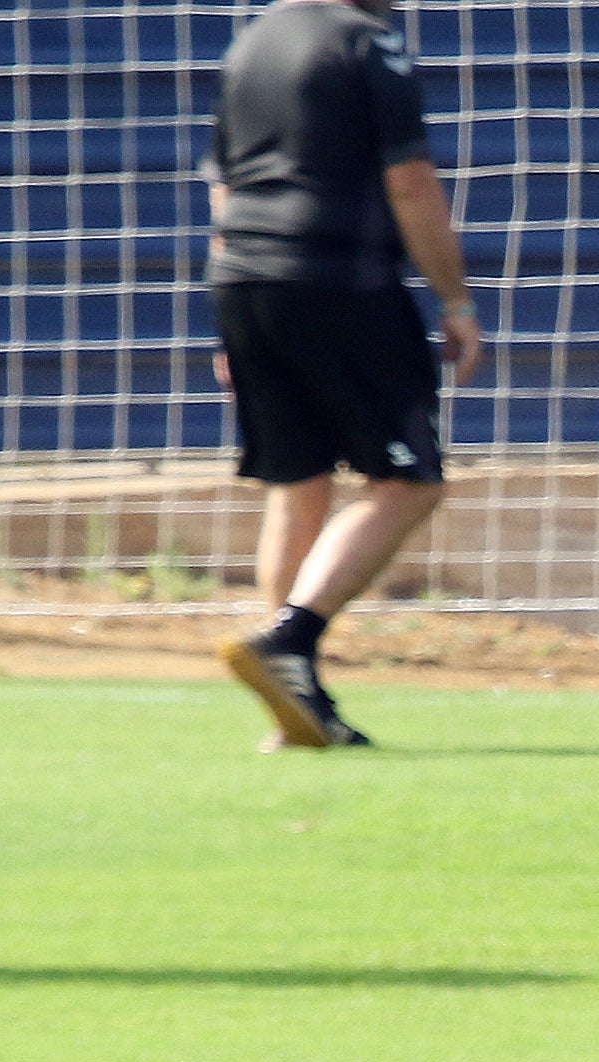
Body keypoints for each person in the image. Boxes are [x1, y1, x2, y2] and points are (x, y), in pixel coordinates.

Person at [207, 0, 486, 751]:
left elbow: (226, 189)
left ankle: (292, 710)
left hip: (242, 278)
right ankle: (289, 640)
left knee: (297, 485)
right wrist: (455, 301)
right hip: (338, 280)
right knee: (409, 482)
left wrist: (230, 319)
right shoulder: (369, 45)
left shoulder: (251, 46)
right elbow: (410, 183)